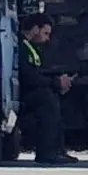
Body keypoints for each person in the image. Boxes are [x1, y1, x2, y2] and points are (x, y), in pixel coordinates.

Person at [17, 13, 79, 164]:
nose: (47, 39)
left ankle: (58, 150)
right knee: (47, 101)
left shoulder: (30, 47)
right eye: (45, 33)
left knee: (52, 98)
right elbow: (28, 76)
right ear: (35, 29)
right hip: (24, 91)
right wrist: (55, 83)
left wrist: (58, 81)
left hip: (32, 88)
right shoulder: (21, 46)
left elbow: (38, 73)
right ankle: (47, 153)